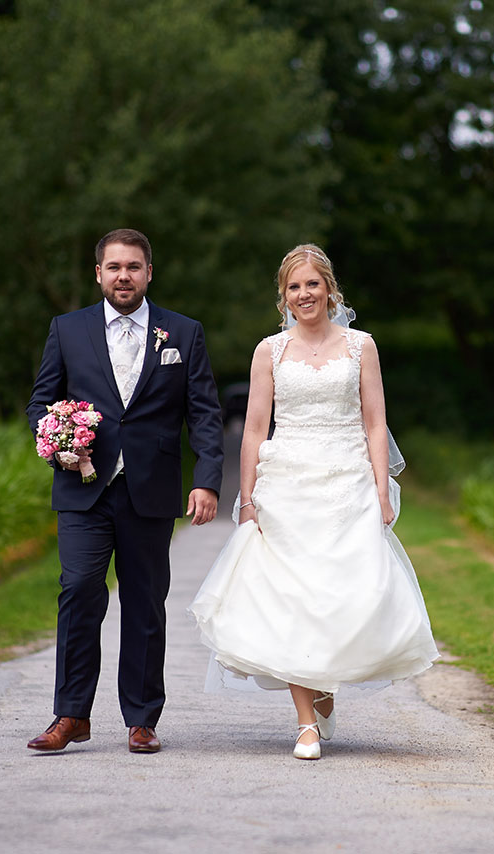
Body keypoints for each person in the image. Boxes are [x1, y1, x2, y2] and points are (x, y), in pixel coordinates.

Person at [188, 244, 438, 760]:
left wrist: (380, 487)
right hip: (288, 484)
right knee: (292, 597)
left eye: (312, 284)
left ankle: (325, 684)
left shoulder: (361, 346)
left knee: (342, 593)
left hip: (348, 481)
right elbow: (255, 428)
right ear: (284, 297)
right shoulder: (269, 351)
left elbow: (374, 422)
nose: (305, 295)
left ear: (329, 289)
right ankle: (305, 723)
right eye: (294, 287)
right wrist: (250, 498)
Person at [26, 228, 224, 754]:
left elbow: (203, 413)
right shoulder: (67, 330)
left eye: (133, 267)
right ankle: (70, 715)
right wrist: (57, 444)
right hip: (83, 490)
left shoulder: (183, 332)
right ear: (98, 273)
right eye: (114, 267)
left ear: (149, 273)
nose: (123, 276)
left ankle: (141, 719)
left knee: (144, 603)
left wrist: (206, 479)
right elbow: (40, 403)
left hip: (150, 491)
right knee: (79, 591)